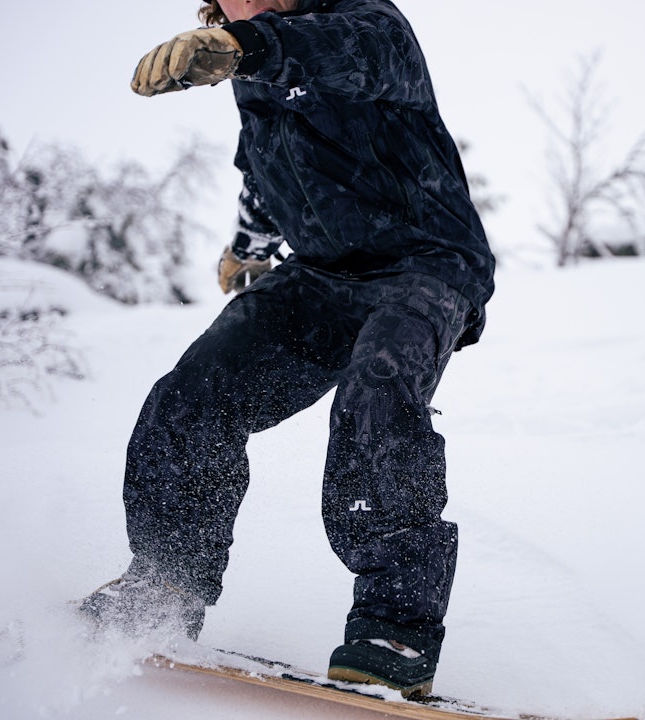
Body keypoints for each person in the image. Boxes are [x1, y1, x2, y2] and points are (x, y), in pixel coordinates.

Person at [78, 0, 495, 699]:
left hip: (427, 263)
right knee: (193, 397)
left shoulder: (367, 25)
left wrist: (245, 45)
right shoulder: (254, 64)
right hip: (326, 276)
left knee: (376, 396)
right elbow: (268, 163)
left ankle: (395, 628)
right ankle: (164, 585)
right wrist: (250, 247)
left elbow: (338, 52)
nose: (251, 2)